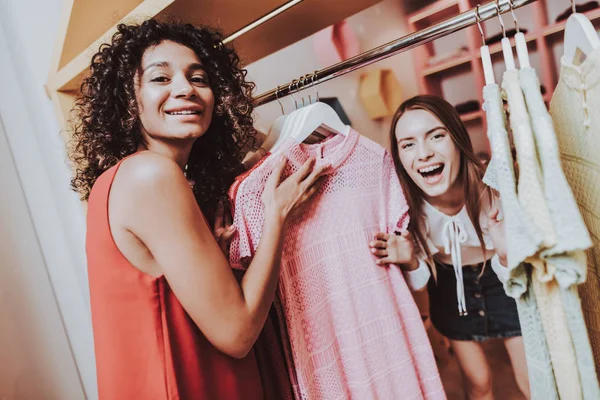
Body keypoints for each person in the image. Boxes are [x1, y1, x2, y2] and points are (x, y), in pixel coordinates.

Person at [68, 19, 328, 399]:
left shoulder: (124, 179)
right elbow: (237, 334)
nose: (185, 89)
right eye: (160, 78)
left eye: (199, 78)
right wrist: (276, 217)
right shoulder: (151, 175)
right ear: (129, 99)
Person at [369, 95, 530, 400]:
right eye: (408, 144)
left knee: (530, 376)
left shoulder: (492, 190)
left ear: (457, 139)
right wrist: (411, 262)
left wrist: (507, 252)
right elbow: (421, 284)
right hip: (448, 286)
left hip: (502, 282)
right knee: (479, 381)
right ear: (399, 157)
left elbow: (521, 273)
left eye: (437, 136)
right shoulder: (404, 208)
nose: (424, 154)